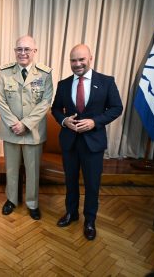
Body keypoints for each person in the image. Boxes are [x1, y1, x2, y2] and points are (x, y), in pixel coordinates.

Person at [51, 44, 123, 240]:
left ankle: (90, 220)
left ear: (90, 58)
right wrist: (64, 120)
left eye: (81, 59)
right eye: (73, 60)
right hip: (70, 143)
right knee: (70, 181)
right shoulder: (63, 84)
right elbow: (56, 109)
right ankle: (71, 213)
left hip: (93, 143)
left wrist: (95, 122)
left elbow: (117, 108)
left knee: (92, 184)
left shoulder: (106, 82)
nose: (77, 64)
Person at [0, 35, 53, 220]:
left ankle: (32, 203)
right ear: (15, 51)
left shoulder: (44, 74)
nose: (23, 53)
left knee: (32, 170)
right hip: (11, 130)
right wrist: (15, 124)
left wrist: (26, 124)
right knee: (11, 169)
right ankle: (11, 200)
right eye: (19, 49)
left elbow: (46, 101)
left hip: (33, 131)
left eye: (27, 49)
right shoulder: (5, 72)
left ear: (34, 51)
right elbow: (1, 100)